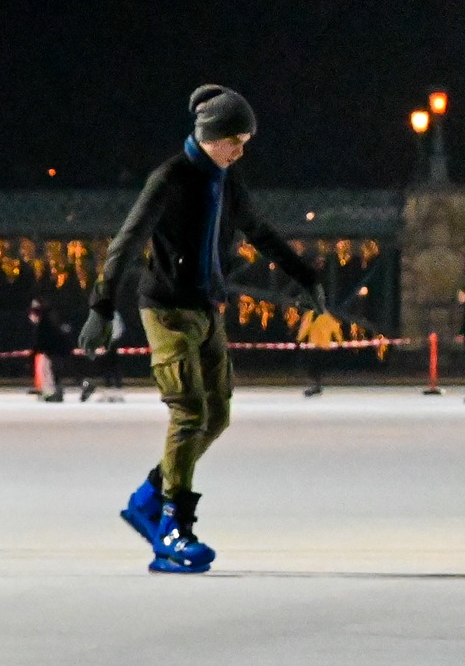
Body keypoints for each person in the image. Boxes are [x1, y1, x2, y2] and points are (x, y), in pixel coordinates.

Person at [80, 84, 323, 573]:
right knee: (189, 412)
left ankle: (150, 497)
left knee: (217, 416)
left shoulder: (228, 181)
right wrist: (101, 306)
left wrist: (303, 273)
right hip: (167, 310)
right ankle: (173, 530)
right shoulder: (171, 178)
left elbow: (259, 231)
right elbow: (126, 242)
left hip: (207, 309)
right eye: (237, 138)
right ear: (212, 135)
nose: (242, 148)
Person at [28, 299, 79, 403]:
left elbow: (42, 340)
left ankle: (55, 393)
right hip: (58, 350)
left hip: (56, 350)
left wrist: (35, 352)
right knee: (55, 371)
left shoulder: (45, 323)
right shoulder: (51, 319)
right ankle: (57, 392)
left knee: (52, 370)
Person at [297, 301, 343, 397]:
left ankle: (316, 386)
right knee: (318, 367)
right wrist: (340, 341)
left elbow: (304, 328)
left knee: (313, 367)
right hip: (324, 346)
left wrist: (299, 340)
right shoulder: (328, 317)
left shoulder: (310, 315)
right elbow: (336, 328)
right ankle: (317, 386)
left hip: (314, 346)